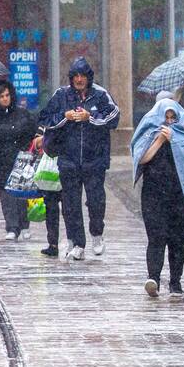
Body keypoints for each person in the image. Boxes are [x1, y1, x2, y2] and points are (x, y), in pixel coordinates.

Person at [35, 57, 121, 260]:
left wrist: (89, 118)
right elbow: (45, 118)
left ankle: (97, 233)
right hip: (68, 158)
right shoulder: (61, 95)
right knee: (70, 203)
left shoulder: (100, 95)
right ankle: (77, 242)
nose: (79, 80)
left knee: (96, 201)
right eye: (76, 76)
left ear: (88, 78)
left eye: (83, 76)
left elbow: (114, 117)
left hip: (95, 159)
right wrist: (65, 117)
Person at [133, 98, 184, 298]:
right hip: (153, 192)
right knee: (156, 236)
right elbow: (141, 157)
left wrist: (175, 140)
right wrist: (160, 140)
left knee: (177, 238)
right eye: (165, 117)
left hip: (179, 193)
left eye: (172, 117)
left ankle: (175, 282)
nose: (168, 121)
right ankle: (154, 278)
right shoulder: (150, 130)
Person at [0, 78, 38, 241]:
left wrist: (33, 152)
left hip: (22, 160)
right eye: (1, 96)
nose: (5, 98)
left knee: (21, 194)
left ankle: (25, 225)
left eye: (7, 95)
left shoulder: (23, 115)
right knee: (6, 196)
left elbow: (34, 134)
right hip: (1, 160)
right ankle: (12, 227)